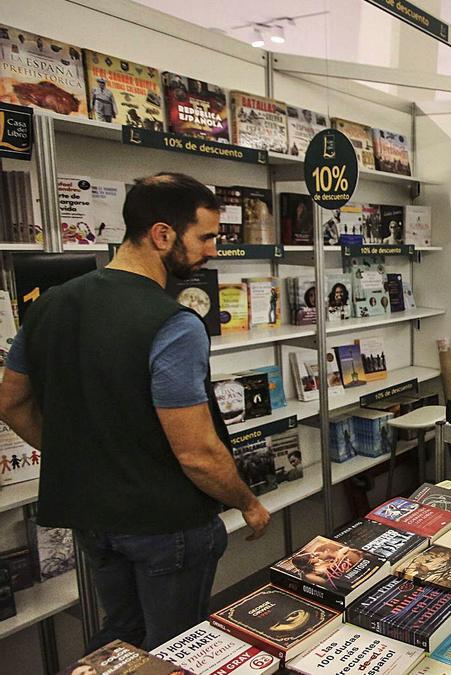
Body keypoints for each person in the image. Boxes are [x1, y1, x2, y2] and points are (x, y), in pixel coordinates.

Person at [0, 173, 270, 650]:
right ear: (162, 234)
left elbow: (12, 403)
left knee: (122, 641)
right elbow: (197, 453)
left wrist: (82, 455)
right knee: (175, 648)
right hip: (167, 525)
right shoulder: (174, 323)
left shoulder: (49, 305)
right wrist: (247, 503)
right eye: (205, 237)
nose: (212, 251)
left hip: (94, 518)